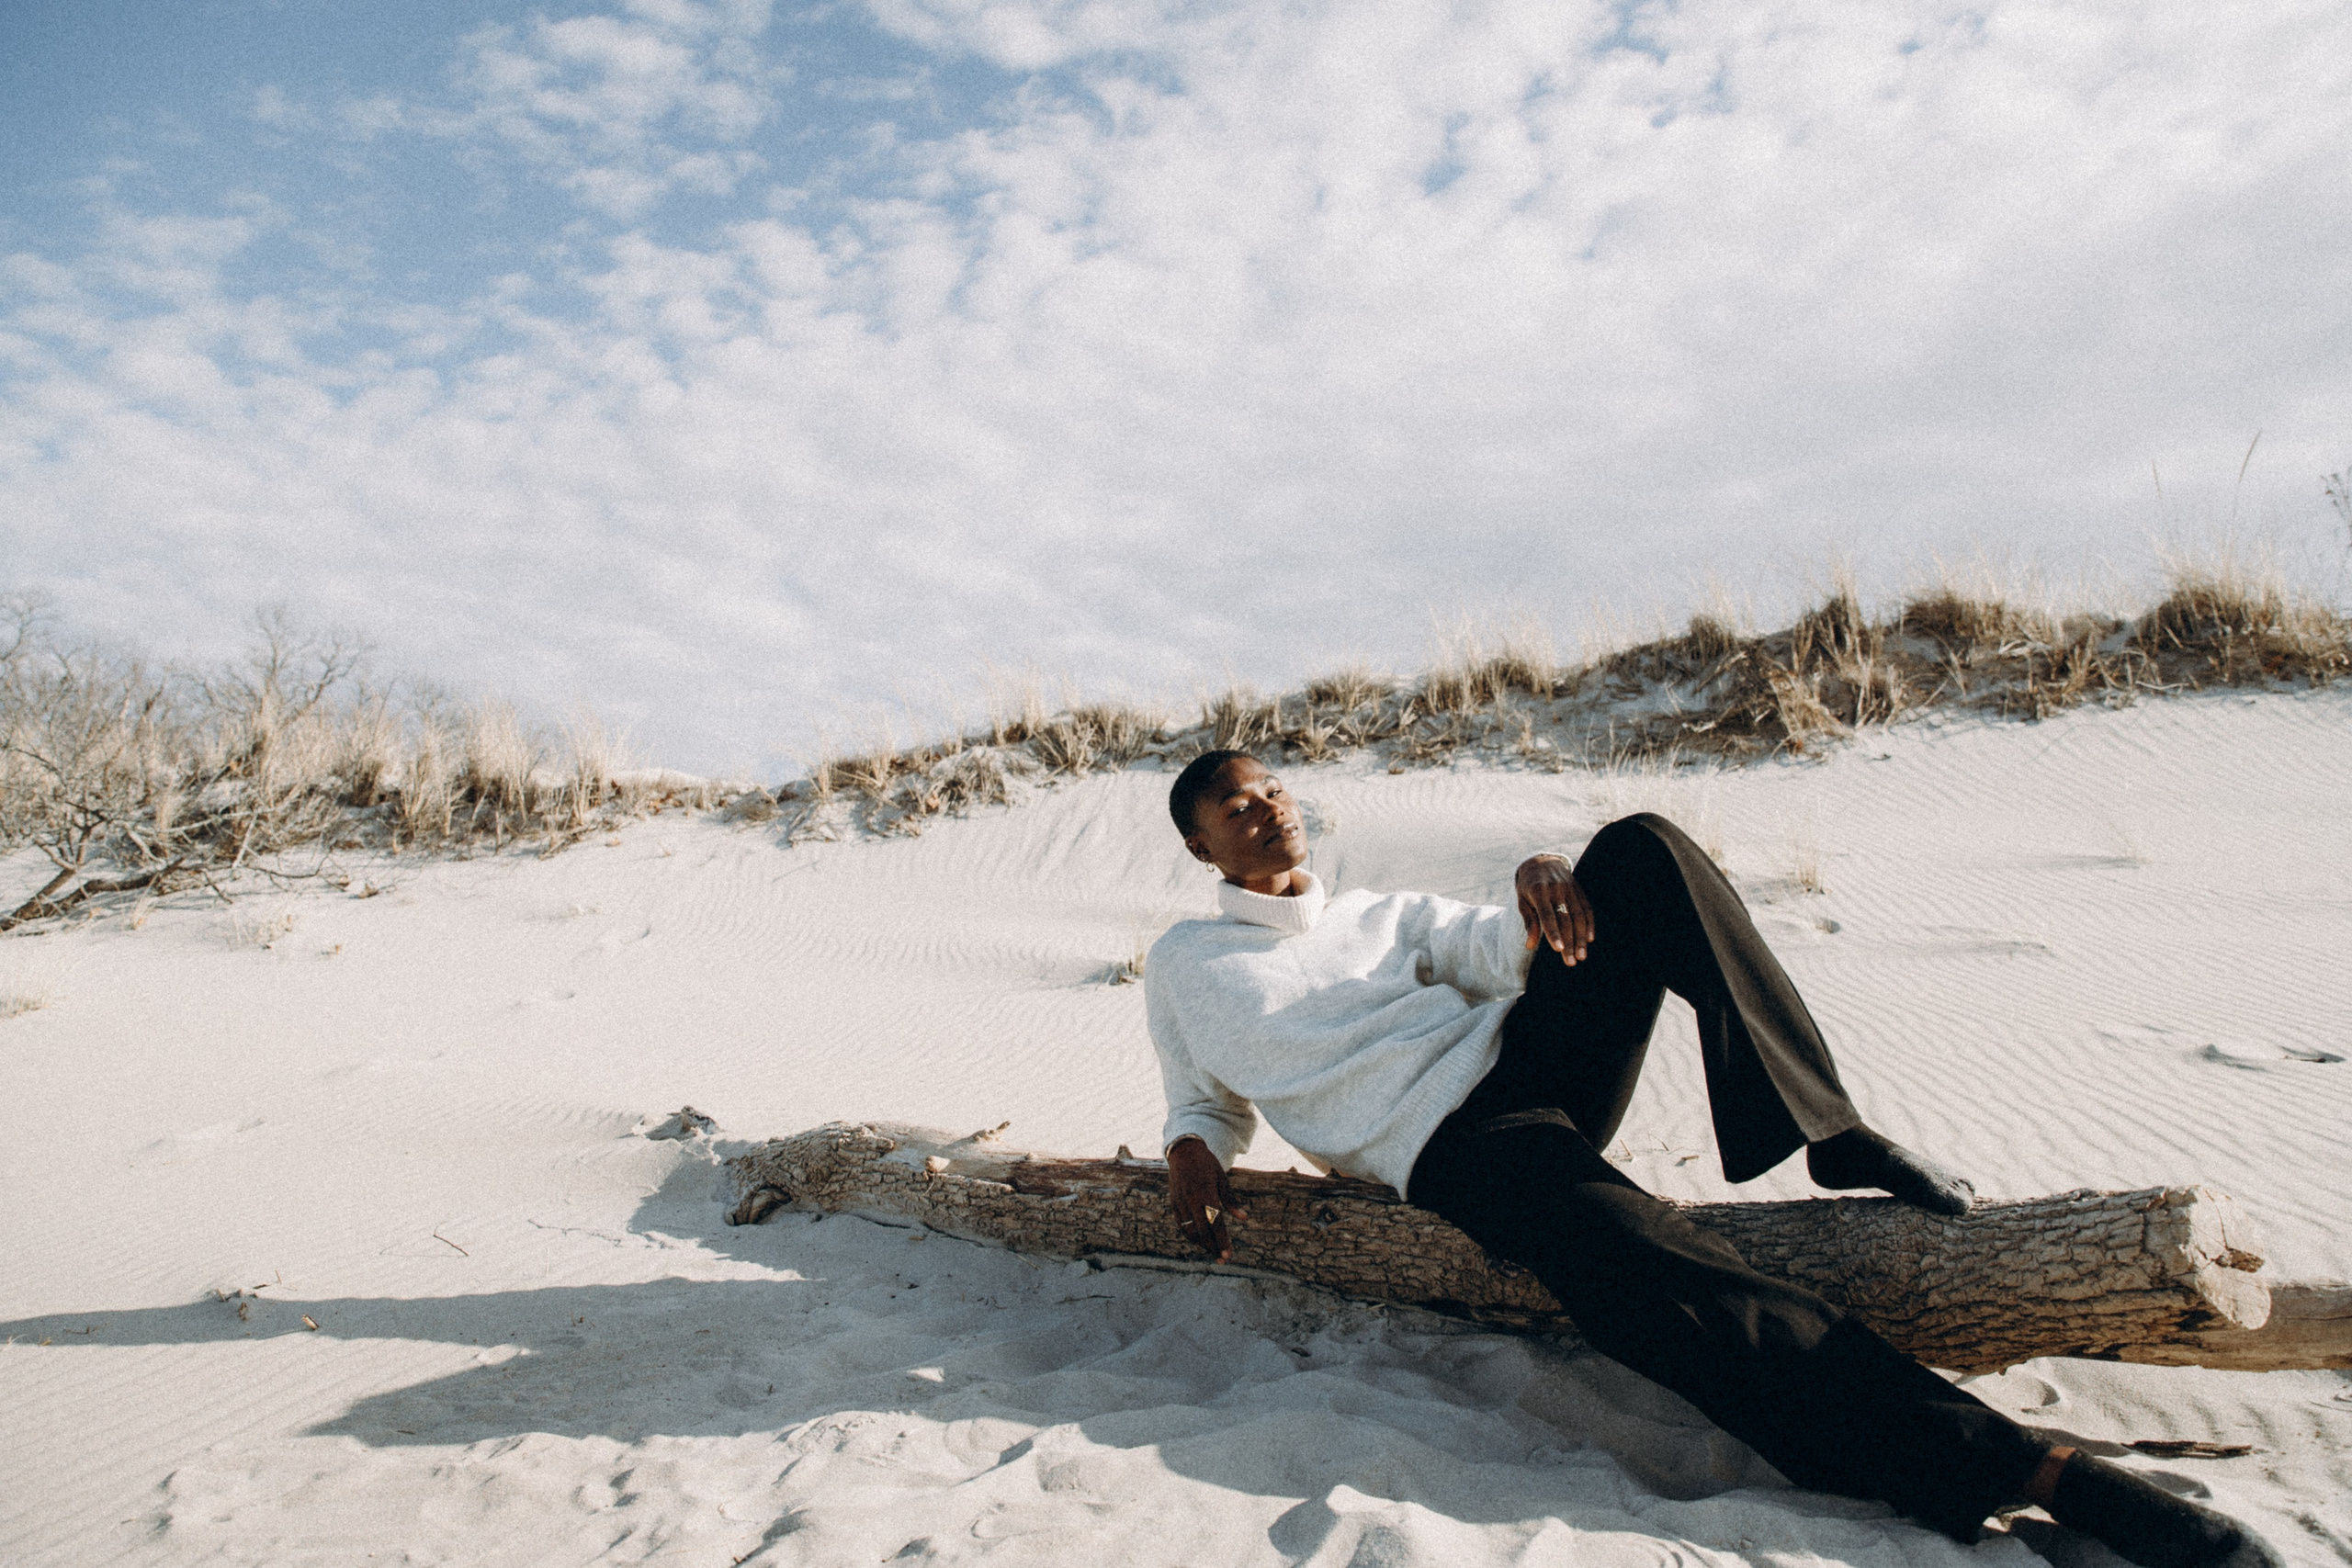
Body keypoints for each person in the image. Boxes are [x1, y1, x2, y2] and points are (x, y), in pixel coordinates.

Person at [1144, 748, 2278, 1568]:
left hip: (1531, 1066)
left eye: (1274, 790)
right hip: (1458, 1147)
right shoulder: (1189, 964)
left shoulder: (1381, 915)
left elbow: (1495, 953)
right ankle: (2035, 1475)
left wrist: (1544, 885)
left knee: (1633, 849)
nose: (1266, 810)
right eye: (1234, 808)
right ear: (1202, 847)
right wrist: (1192, 1148)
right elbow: (1202, 1094)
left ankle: (1827, 1130)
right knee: (1657, 1272)